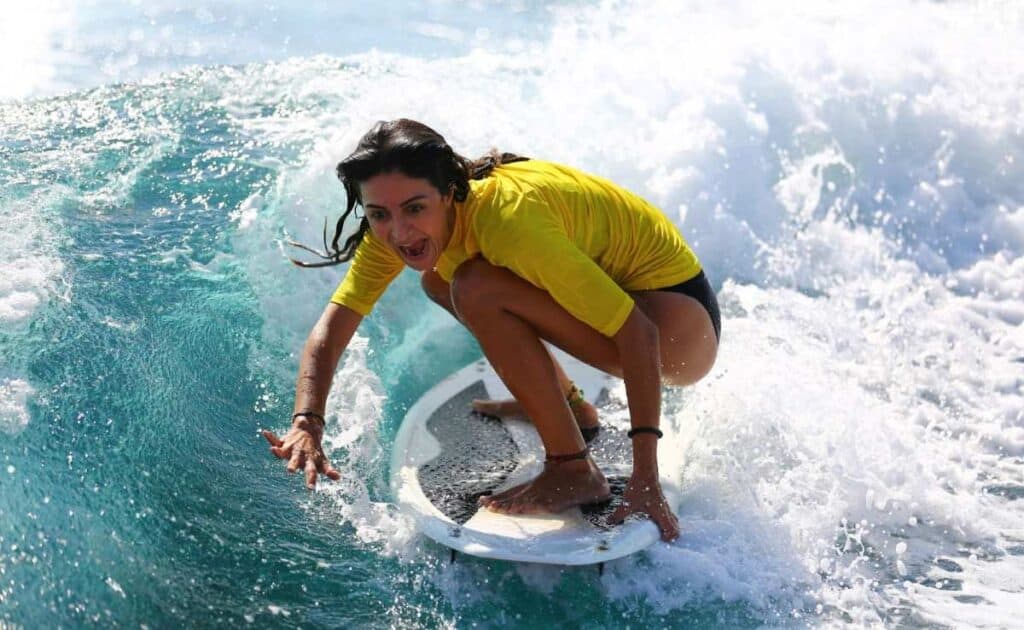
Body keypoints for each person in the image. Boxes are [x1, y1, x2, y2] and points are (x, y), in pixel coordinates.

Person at [261, 119, 720, 541]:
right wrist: (307, 423)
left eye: (414, 208)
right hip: (646, 306)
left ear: (449, 192)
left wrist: (645, 481)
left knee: (475, 285)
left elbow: (639, 334)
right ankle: (571, 408)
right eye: (379, 213)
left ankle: (573, 467)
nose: (399, 232)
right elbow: (331, 329)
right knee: (440, 280)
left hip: (678, 332)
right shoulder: (402, 228)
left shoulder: (508, 221)